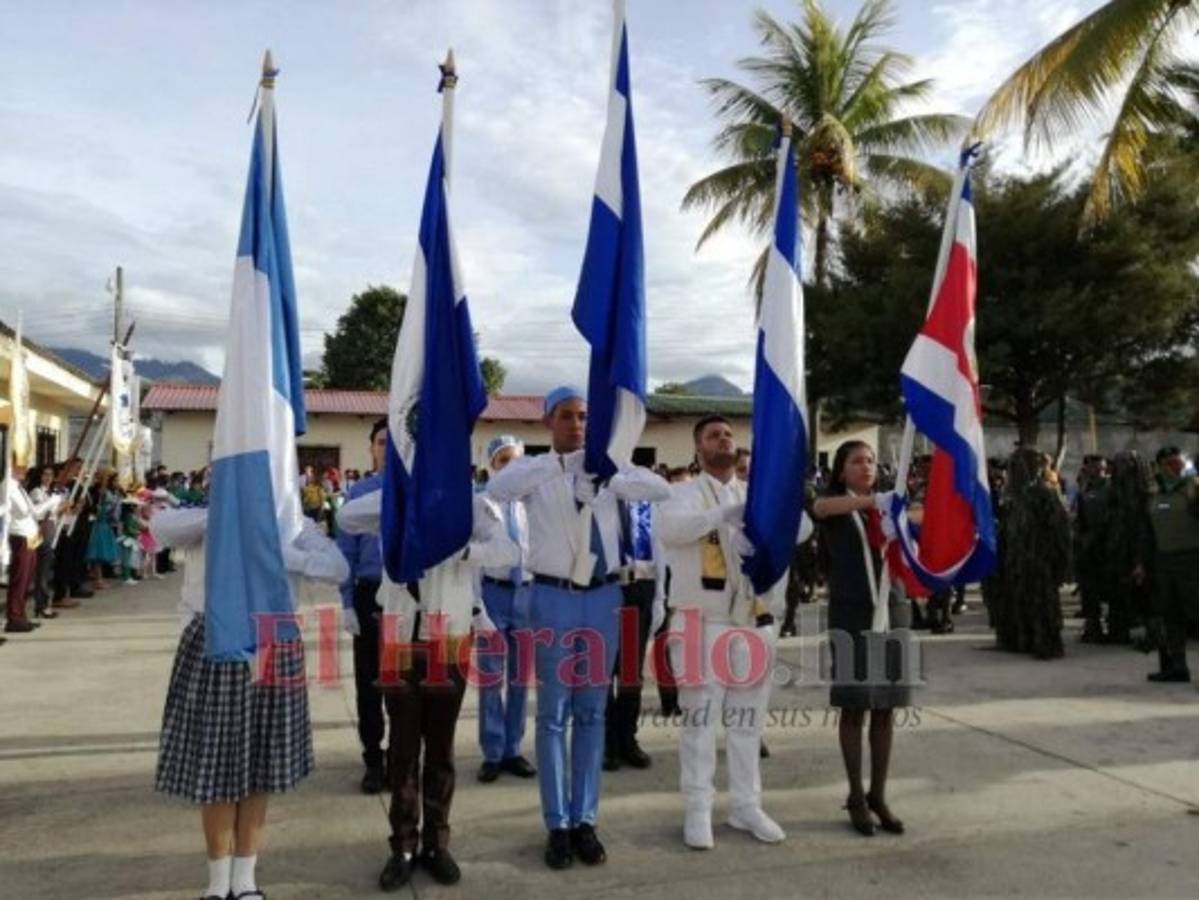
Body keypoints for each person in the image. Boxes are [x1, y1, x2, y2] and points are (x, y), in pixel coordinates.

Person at [486, 386, 670, 871]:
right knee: (552, 716)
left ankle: (585, 819)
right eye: (566, 416)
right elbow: (497, 489)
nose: (577, 424)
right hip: (552, 598)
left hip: (604, 597)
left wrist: (605, 470)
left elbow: (660, 489)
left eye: (585, 417)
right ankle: (557, 824)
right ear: (548, 422)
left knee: (592, 715)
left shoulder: (607, 470)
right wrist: (564, 466)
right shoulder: (535, 471)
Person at [152, 500, 347, 900]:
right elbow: (162, 528)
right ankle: (217, 883)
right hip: (216, 639)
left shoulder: (295, 522)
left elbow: (337, 568)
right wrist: (232, 508)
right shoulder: (212, 513)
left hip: (273, 640)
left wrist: (281, 550)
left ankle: (245, 881)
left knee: (261, 765)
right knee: (219, 770)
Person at [338, 483, 518, 891]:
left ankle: (437, 842)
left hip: (449, 635)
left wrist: (465, 548)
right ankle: (402, 844)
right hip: (398, 633)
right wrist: (398, 499)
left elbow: (508, 554)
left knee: (440, 746)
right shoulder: (394, 495)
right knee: (402, 748)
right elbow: (347, 518)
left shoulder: (468, 502)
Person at [657, 414, 797, 850]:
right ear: (699, 449)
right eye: (713, 435)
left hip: (750, 621)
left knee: (747, 721)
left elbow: (802, 530)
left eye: (729, 434)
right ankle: (698, 808)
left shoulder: (755, 497)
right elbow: (671, 530)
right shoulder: (679, 493)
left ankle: (745, 805)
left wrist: (773, 508)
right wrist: (724, 513)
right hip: (701, 620)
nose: (724, 439)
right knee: (699, 719)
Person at [810, 440, 917, 838]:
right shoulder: (837, 503)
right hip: (853, 614)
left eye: (871, 460)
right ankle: (855, 794)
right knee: (854, 707)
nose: (866, 465)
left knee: (886, 708)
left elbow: (920, 522)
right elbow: (820, 509)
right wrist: (873, 501)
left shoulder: (891, 506)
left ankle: (878, 794)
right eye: (857, 461)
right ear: (841, 471)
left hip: (893, 611)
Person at [475, 434, 538, 783]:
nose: (509, 468)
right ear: (491, 466)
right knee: (490, 677)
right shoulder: (481, 503)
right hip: (493, 595)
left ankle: (514, 748)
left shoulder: (532, 504)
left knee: (519, 678)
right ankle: (492, 751)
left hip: (526, 596)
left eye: (515, 461)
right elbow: (471, 559)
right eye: (502, 461)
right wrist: (475, 608)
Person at [337, 418, 390, 794]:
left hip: (410, 596)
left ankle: (404, 758)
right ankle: (374, 758)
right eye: (382, 443)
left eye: (394, 443)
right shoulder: (358, 494)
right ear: (371, 449)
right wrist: (346, 603)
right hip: (370, 595)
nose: (388, 449)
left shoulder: (419, 491)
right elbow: (345, 554)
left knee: (405, 684)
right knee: (370, 684)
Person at [603, 492, 665, 773]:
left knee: (629, 673)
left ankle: (627, 737)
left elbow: (659, 547)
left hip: (640, 587)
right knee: (602, 670)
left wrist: (660, 596)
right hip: (606, 587)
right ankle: (605, 742)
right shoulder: (597, 495)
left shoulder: (645, 498)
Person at [1000, 449, 1071, 659]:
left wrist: (1059, 560)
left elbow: (1059, 529)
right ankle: (1026, 639)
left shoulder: (1044, 493)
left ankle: (1048, 643)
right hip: (1019, 559)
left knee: (1043, 602)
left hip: (1040, 558)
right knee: (1022, 600)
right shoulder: (1014, 496)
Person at [1145, 446, 1199, 682]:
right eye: (1170, 463)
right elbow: (1146, 530)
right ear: (1160, 466)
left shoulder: (1192, 487)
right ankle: (1177, 667)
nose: (1175, 468)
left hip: (1192, 559)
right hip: (1164, 561)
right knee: (1170, 616)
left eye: (1178, 463)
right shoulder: (1154, 491)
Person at [5, 462, 61, 633]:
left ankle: (21, 615)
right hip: (20, 536)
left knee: (27, 577)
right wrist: (52, 501)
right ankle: (14, 617)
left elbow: (34, 511)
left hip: (31, 535)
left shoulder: (19, 487)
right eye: (19, 467)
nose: (24, 470)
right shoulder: (9, 487)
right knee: (20, 578)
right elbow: (28, 512)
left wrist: (51, 503)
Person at [1074, 455, 1111, 643]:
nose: (1098, 472)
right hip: (1089, 547)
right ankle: (1093, 626)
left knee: (1111, 589)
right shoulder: (1084, 490)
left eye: (1101, 468)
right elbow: (1080, 519)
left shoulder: (1112, 489)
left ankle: (1115, 628)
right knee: (1090, 590)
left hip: (1108, 546)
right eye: (1094, 468)